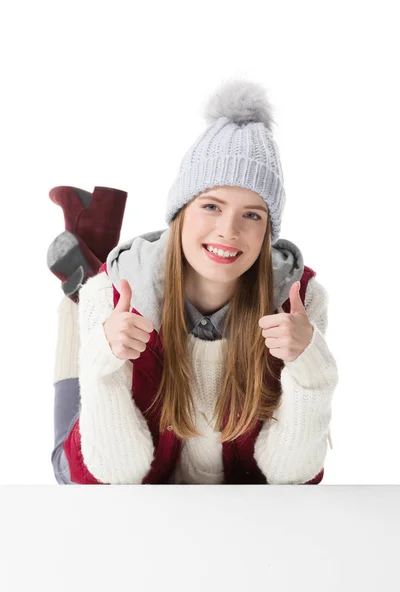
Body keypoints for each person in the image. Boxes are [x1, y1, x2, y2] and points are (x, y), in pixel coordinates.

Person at [48, 78, 339, 485]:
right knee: (63, 465)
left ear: (269, 230)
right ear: (180, 212)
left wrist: (312, 369)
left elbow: (292, 478)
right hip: (94, 460)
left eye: (252, 215)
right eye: (211, 205)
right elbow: (111, 478)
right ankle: (82, 275)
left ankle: (92, 236)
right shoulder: (111, 295)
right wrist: (103, 366)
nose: (228, 231)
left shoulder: (298, 304)